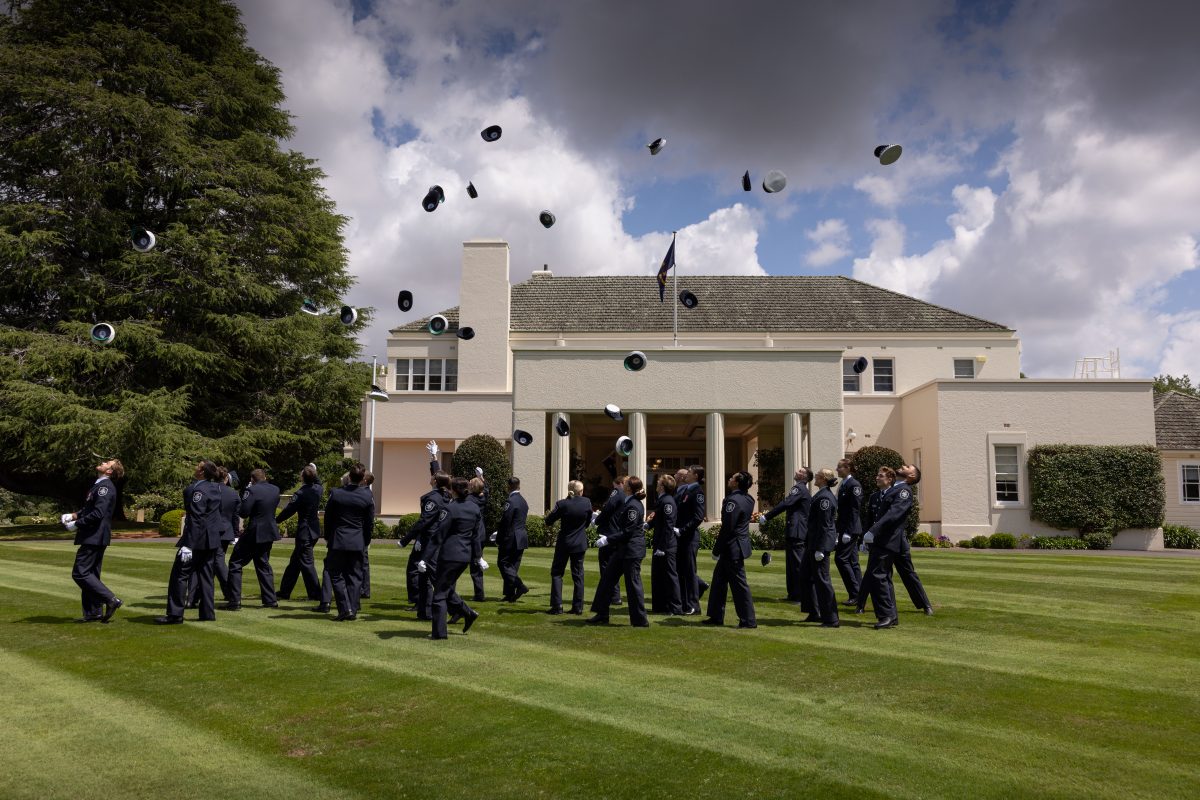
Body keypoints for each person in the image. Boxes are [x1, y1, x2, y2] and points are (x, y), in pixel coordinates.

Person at [158, 461, 224, 624]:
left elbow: (196, 517)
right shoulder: (215, 488)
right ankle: (207, 612)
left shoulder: (198, 490)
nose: (195, 467)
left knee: (179, 575)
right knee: (206, 576)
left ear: (202, 472)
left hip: (196, 540)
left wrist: (188, 544)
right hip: (210, 540)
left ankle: (175, 614)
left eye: (198, 466)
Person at [420, 477, 486, 639]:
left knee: (439, 595)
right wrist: (478, 557)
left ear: (453, 491)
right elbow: (476, 536)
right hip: (465, 556)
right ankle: (467, 612)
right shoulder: (474, 508)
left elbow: (438, 536)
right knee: (446, 588)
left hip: (449, 555)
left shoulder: (450, 509)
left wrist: (424, 558)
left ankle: (439, 633)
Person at [65, 457, 124, 623]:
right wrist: (74, 515)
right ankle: (93, 613)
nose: (103, 462)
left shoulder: (105, 487)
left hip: (94, 535)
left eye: (107, 463)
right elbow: (90, 508)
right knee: (91, 574)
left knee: (80, 573)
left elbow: (98, 513)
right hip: (95, 535)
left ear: (109, 471)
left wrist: (76, 524)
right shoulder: (99, 484)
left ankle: (111, 600)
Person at [587, 476, 649, 627]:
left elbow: (628, 531)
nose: (623, 484)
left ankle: (640, 620)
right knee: (607, 580)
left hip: (631, 550)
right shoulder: (630, 502)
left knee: (633, 585)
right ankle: (601, 614)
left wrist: (608, 539)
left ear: (628, 488)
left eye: (626, 483)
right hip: (623, 549)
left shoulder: (633, 506)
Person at [857, 466, 911, 629]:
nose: (877, 478)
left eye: (880, 476)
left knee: (878, 576)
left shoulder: (902, 491)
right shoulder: (889, 492)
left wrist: (873, 531)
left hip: (887, 541)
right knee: (883, 577)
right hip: (880, 540)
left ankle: (886, 615)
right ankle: (891, 615)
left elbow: (893, 514)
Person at [702, 471, 757, 629]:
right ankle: (715, 616)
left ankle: (748, 620)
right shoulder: (748, 499)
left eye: (732, 478)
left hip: (731, 547)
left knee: (739, 585)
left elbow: (728, 527)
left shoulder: (733, 500)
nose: (729, 479)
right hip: (737, 546)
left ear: (737, 483)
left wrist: (716, 549)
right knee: (719, 582)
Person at [323, 462, 374, 620]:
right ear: (361, 479)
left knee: (335, 574)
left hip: (339, 538)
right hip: (357, 539)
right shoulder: (367, 495)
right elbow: (369, 523)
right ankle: (351, 608)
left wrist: (327, 536)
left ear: (349, 477)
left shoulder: (337, 493)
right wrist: (366, 540)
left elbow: (328, 517)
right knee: (355, 576)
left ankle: (345, 608)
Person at [226, 469, 281, 610]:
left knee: (235, 563)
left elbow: (244, 512)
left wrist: (247, 494)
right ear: (265, 477)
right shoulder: (275, 489)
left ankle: (234, 601)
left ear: (253, 479)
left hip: (255, 531)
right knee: (263, 564)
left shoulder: (252, 491)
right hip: (269, 531)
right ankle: (270, 599)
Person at [400, 469, 451, 619]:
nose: (431, 477)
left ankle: (456, 607)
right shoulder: (444, 495)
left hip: (429, 540)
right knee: (424, 576)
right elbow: (441, 475)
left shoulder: (433, 499)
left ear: (435, 481)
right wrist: (434, 458)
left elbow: (425, 521)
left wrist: (407, 539)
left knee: (429, 576)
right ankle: (424, 611)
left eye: (433, 476)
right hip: (433, 539)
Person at [187, 466, 239, 607]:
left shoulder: (207, 489)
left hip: (208, 531)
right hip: (224, 532)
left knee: (202, 565)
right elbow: (235, 516)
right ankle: (229, 594)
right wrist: (235, 534)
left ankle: (193, 597)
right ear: (226, 478)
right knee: (215, 564)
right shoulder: (233, 493)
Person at [757, 467, 811, 604]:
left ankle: (799, 596)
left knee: (797, 564)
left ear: (804, 477)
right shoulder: (801, 488)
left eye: (800, 471)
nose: (796, 471)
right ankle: (793, 594)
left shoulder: (798, 488)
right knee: (792, 564)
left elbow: (786, 503)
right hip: (794, 530)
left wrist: (767, 516)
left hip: (797, 530)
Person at [544, 480, 592, 615]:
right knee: (578, 575)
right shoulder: (586, 502)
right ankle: (578, 606)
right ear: (581, 491)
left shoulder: (562, 504)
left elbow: (549, 520)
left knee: (557, 573)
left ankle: (557, 605)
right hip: (579, 542)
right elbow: (587, 522)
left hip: (564, 542)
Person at [276, 464, 323, 602]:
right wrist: (313, 470)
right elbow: (318, 481)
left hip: (305, 531)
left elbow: (288, 510)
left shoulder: (300, 494)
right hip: (313, 529)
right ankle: (284, 591)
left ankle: (315, 594)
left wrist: (276, 520)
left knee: (306, 563)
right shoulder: (318, 490)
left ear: (302, 478)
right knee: (295, 563)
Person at [892, 464, 933, 615]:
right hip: (884, 539)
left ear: (912, 477)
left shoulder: (904, 490)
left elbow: (895, 514)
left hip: (897, 539)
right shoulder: (890, 486)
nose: (903, 466)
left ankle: (925, 604)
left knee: (907, 572)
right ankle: (860, 603)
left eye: (908, 466)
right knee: (874, 572)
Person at [805, 469, 840, 628]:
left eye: (818, 476)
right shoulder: (821, 495)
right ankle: (816, 612)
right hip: (813, 543)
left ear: (824, 479)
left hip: (819, 544)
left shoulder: (825, 498)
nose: (816, 478)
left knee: (823, 581)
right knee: (809, 577)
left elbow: (825, 525)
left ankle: (831, 618)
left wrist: (821, 548)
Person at [676, 465, 708, 615]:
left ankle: (694, 605)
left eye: (688, 472)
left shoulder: (697, 492)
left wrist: (682, 530)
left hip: (689, 537)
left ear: (695, 475)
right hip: (682, 537)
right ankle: (684, 603)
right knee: (682, 571)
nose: (685, 475)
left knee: (689, 572)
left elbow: (698, 516)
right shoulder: (687, 490)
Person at [648, 474, 682, 615]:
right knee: (658, 576)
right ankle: (660, 606)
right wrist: (647, 525)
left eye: (658, 483)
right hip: (661, 544)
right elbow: (659, 520)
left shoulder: (667, 502)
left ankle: (675, 607)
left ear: (662, 486)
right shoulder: (662, 500)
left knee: (669, 577)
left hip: (666, 546)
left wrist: (662, 547)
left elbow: (668, 526)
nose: (656, 485)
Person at [593, 475, 626, 607]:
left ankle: (609, 595)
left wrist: (597, 520)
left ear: (618, 484)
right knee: (613, 566)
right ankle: (615, 595)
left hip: (609, 533)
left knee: (606, 566)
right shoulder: (627, 497)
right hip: (618, 533)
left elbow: (608, 508)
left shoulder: (617, 492)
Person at [494, 477, 529, 602]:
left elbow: (506, 521)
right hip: (521, 536)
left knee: (503, 563)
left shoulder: (511, 501)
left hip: (511, 537)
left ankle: (519, 586)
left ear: (509, 486)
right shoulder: (523, 501)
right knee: (513, 565)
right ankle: (509, 594)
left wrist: (498, 538)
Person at [834, 459, 864, 605]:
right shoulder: (844, 484)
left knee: (841, 559)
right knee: (853, 562)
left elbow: (854, 509)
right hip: (845, 527)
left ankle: (855, 593)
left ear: (848, 468)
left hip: (850, 529)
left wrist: (848, 531)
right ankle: (860, 594)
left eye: (839, 467)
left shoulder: (854, 485)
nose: (837, 469)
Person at [466, 468, 488, 602]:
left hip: (472, 533)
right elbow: (486, 489)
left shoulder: (469, 499)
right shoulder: (483, 496)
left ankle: (479, 594)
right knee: (476, 563)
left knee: (473, 564)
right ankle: (479, 593)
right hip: (482, 532)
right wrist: (481, 477)